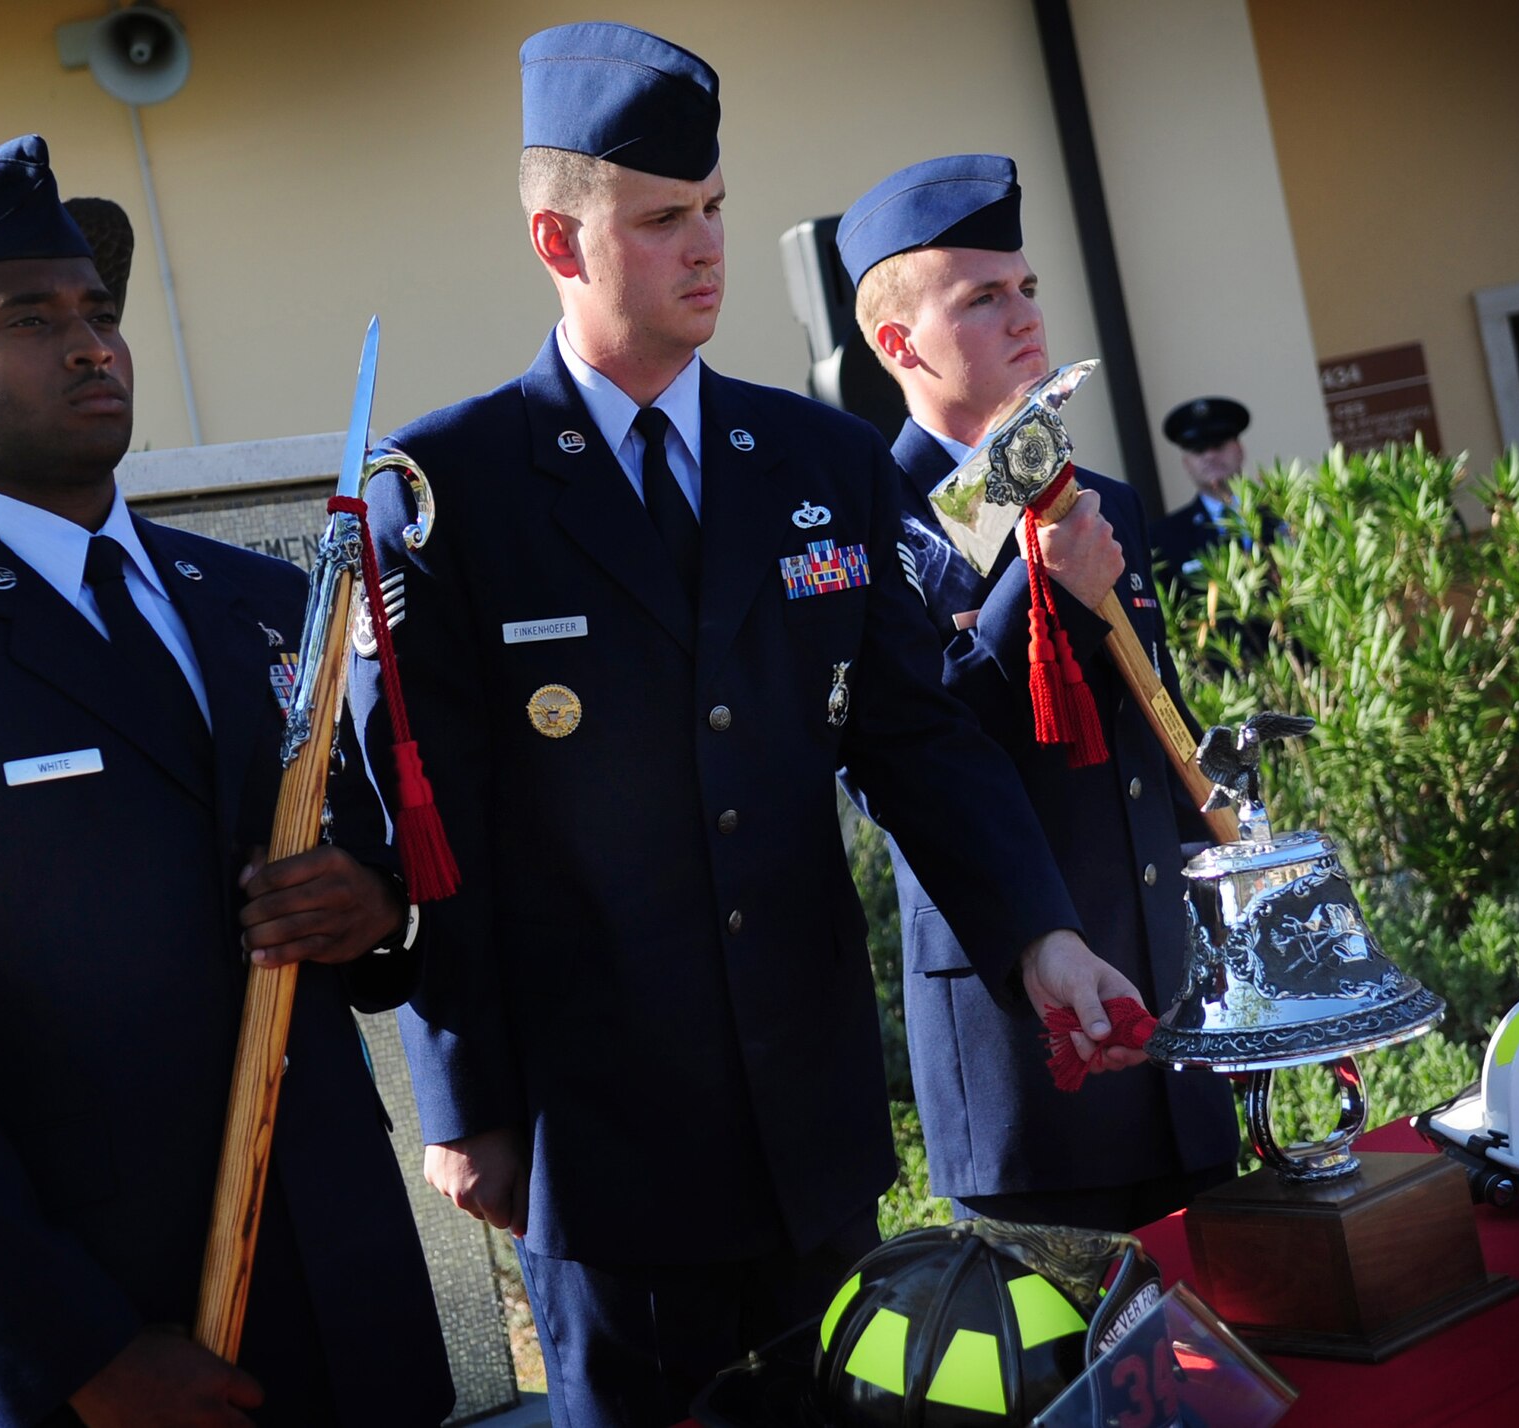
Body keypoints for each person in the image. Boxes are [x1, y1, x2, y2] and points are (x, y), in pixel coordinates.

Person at [348, 26, 1141, 1428]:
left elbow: (918, 742)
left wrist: (1041, 933)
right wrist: (462, 1096)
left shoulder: (817, 461)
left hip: (813, 1125)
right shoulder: (450, 493)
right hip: (601, 1143)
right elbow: (427, 813)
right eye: (661, 221)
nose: (703, 247)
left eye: (712, 210)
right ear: (557, 237)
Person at [0, 136, 451, 1428]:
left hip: (351, 1311)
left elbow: (371, 873)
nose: (91, 345)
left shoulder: (253, 598)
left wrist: (373, 907)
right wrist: (75, 1351)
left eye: (99, 312)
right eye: (30, 319)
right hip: (106, 1343)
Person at [837, 154, 1238, 1230]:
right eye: (979, 298)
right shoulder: (865, 519)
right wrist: (1035, 585)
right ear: (897, 343)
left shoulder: (1092, 493)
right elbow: (906, 753)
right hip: (1026, 1043)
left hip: (1165, 1006)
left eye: (1025, 287)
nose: (1022, 316)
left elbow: (1146, 732)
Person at [1151, 395, 1252, 580]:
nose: (1210, 456)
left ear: (1239, 449)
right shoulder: (1165, 538)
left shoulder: (1283, 514)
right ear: (1186, 463)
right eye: (1198, 450)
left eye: (1218, 445)